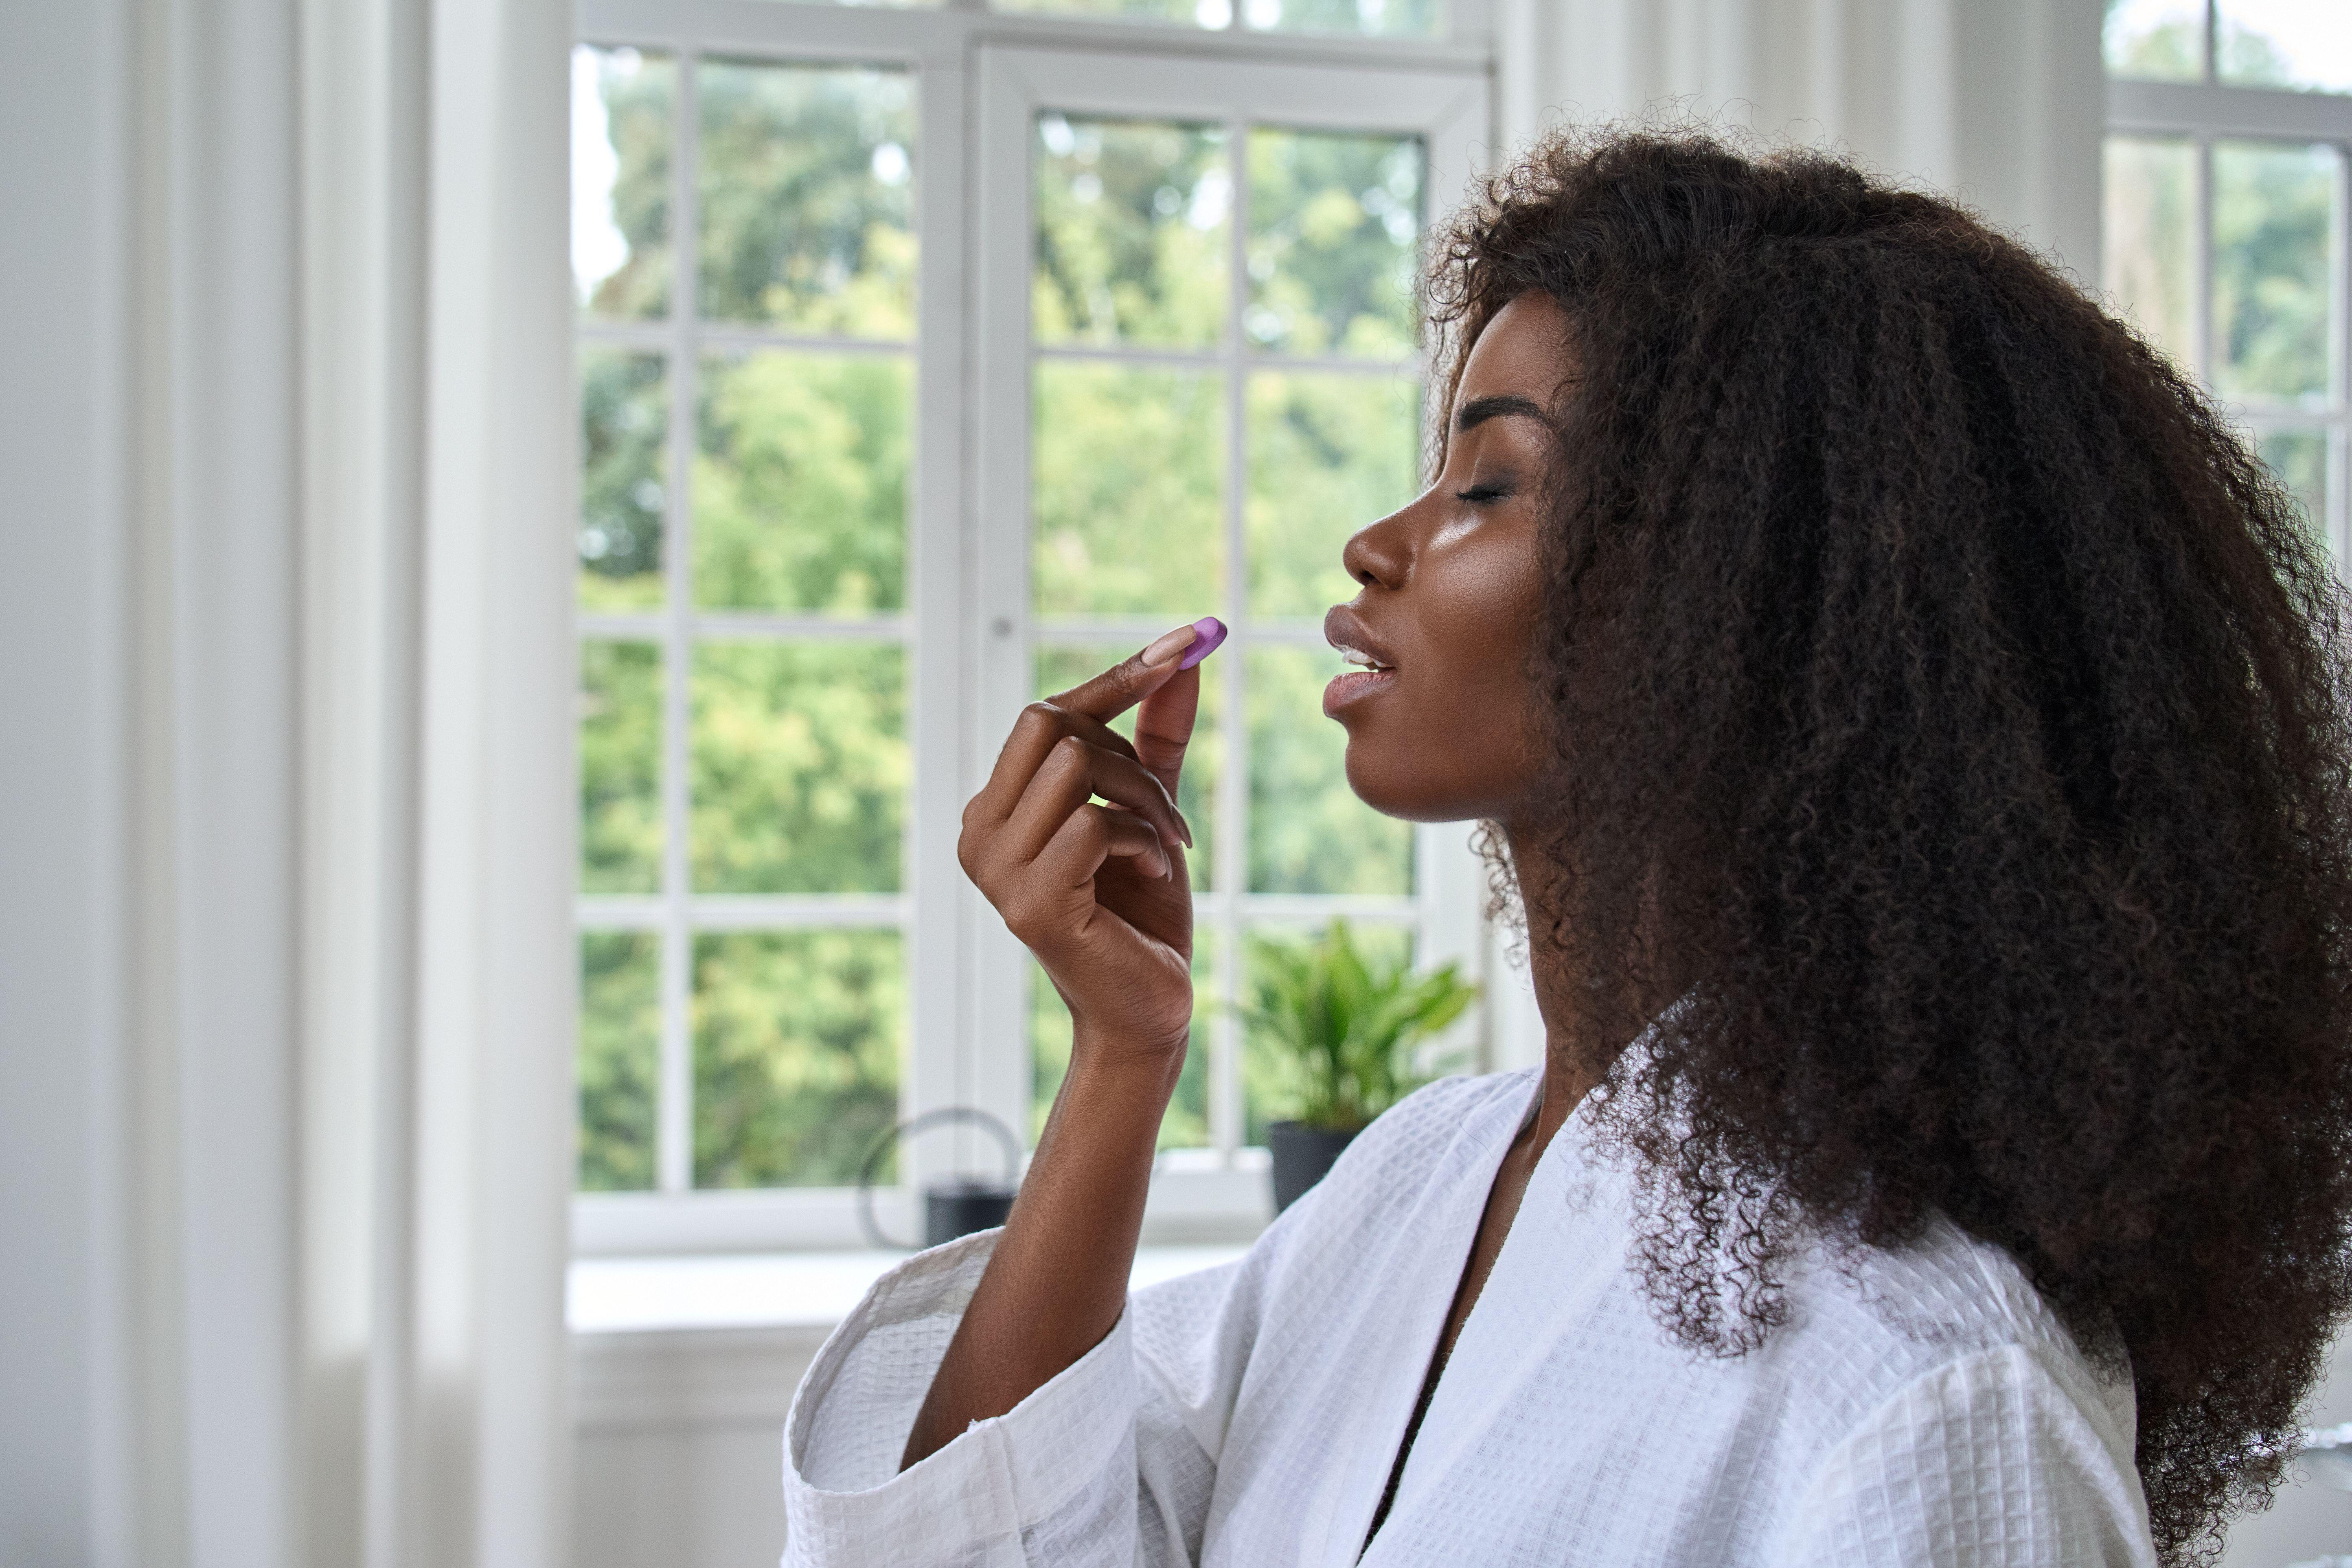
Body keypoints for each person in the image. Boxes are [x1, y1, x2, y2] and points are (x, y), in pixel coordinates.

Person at [777, 129, 2352, 1567]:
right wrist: (1122, 1057)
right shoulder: (1414, 1189)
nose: (1376, 543)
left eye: (1490, 480)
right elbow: (986, 1541)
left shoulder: (1926, 1388)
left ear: (1739, 604)